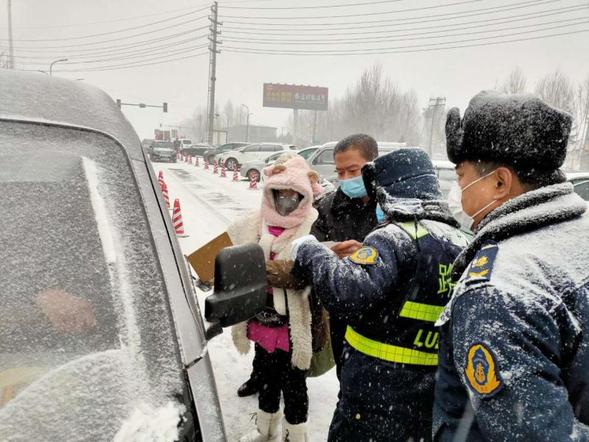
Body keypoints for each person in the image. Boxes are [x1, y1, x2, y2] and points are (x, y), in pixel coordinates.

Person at [432, 91, 589, 440]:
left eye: (460, 177)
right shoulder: (579, 234)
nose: (458, 191)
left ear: (500, 182)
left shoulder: (497, 290)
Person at [289, 148, 469, 441]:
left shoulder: (395, 236)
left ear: (389, 193)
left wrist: (309, 251)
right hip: (429, 395)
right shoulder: (459, 240)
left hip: (376, 395)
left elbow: (345, 291)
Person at [237, 133, 379, 396]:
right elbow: (305, 260)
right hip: (339, 313)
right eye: (340, 172)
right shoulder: (328, 208)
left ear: (373, 166)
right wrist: (326, 255)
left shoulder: (390, 209)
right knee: (347, 384)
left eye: (353, 170)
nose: (346, 179)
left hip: (380, 318)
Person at [227, 153, 322, 442]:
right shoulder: (255, 223)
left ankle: (295, 435)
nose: (287, 200)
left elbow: (318, 269)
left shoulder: (312, 225)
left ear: (304, 197)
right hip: (261, 317)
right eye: (281, 193)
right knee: (267, 378)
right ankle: (265, 430)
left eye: (295, 195)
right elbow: (228, 256)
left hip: (293, 323)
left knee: (294, 385)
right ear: (272, 193)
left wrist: (282, 272)